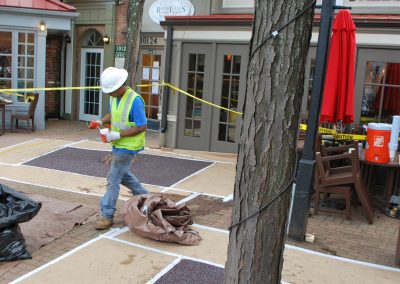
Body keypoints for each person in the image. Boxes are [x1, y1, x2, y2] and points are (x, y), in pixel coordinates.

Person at [89, 67, 149, 230]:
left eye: (111, 91)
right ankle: (146, 198)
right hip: (118, 144)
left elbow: (142, 126)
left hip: (129, 146)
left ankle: (106, 215)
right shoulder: (115, 97)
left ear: (120, 86)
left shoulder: (135, 101)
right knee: (123, 176)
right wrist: (101, 122)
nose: (108, 94)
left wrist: (117, 135)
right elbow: (113, 114)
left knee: (113, 178)